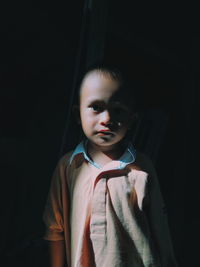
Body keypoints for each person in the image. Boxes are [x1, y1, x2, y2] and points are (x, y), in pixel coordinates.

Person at [43, 64, 178, 267]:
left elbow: (160, 227)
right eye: (96, 107)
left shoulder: (141, 168)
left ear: (132, 120)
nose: (107, 119)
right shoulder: (68, 167)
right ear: (78, 114)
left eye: (118, 110)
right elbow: (55, 228)